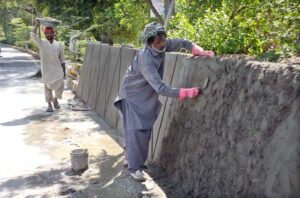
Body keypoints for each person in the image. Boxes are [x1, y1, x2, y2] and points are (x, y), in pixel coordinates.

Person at [114, 22, 214, 182]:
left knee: (142, 130)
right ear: (149, 42)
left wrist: (196, 49)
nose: (161, 44)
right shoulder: (146, 59)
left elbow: (182, 42)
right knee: (137, 131)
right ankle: (135, 168)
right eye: (157, 42)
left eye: (162, 40)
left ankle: (131, 158)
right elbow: (160, 88)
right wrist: (184, 92)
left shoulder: (162, 45)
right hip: (133, 95)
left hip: (144, 94)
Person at [30, 19, 66, 112]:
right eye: (47, 33)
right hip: (47, 71)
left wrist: (64, 72)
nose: (49, 35)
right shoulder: (42, 43)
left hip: (58, 71)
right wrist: (37, 25)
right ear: (45, 34)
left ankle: (55, 99)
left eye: (51, 33)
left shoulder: (59, 45)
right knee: (47, 89)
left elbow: (62, 60)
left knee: (60, 87)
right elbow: (33, 36)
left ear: (54, 34)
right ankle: (49, 105)